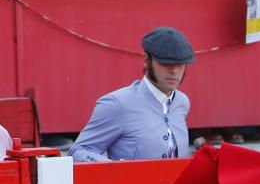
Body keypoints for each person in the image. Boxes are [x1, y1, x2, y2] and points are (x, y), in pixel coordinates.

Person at [70, 27, 195, 162]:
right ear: (147, 60)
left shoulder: (182, 102)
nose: (174, 70)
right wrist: (116, 169)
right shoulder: (118, 103)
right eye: (166, 62)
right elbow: (79, 151)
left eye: (180, 63)